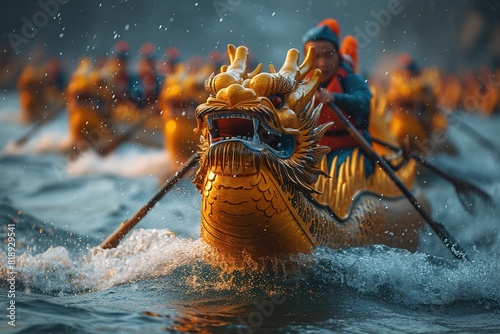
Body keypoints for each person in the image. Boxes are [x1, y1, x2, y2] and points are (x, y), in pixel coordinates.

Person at [302, 18, 374, 175]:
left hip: (349, 151)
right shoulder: (300, 84)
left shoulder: (349, 79)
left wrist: (335, 98)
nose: (322, 63)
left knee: (343, 171)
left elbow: (364, 104)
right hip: (312, 154)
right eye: (315, 57)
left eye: (328, 56)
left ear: (338, 56)